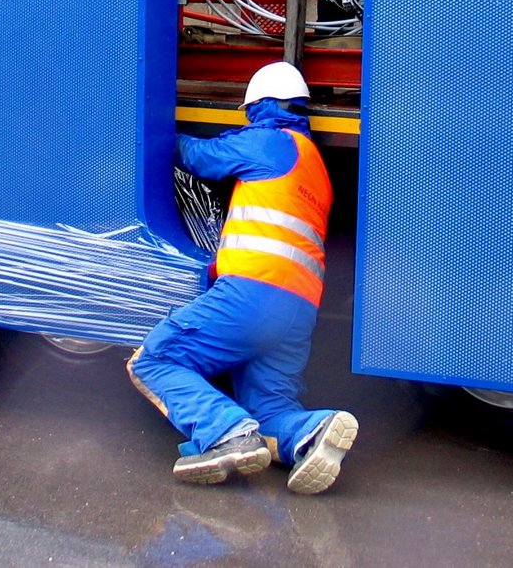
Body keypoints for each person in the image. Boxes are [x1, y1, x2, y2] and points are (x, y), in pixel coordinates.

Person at [127, 61, 357, 494]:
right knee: (268, 406)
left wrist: (157, 137)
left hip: (253, 294)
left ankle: (225, 433)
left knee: (156, 359)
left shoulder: (269, 143)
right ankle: (313, 432)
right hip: (300, 311)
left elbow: (200, 158)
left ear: (260, 106)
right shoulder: (316, 168)